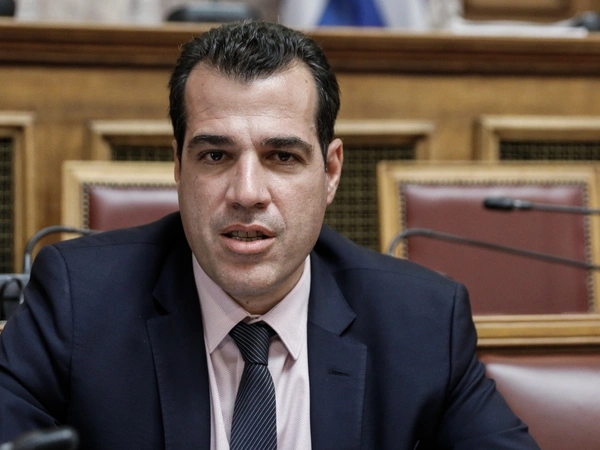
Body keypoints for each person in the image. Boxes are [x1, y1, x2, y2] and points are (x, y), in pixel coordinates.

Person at [0, 21, 539, 449]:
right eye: (216, 156)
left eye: (282, 156)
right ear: (178, 167)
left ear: (330, 172)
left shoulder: (421, 322)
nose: (247, 192)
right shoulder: (78, 301)